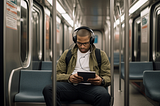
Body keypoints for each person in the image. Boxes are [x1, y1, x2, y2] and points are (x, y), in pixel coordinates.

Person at [43, 26, 111, 106]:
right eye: (79, 43)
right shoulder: (67, 54)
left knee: (104, 95)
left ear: (91, 40)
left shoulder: (100, 55)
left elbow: (108, 77)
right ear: (75, 40)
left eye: (85, 43)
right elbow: (56, 75)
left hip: (91, 88)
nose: (82, 46)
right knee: (49, 89)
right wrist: (69, 78)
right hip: (71, 87)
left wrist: (101, 80)